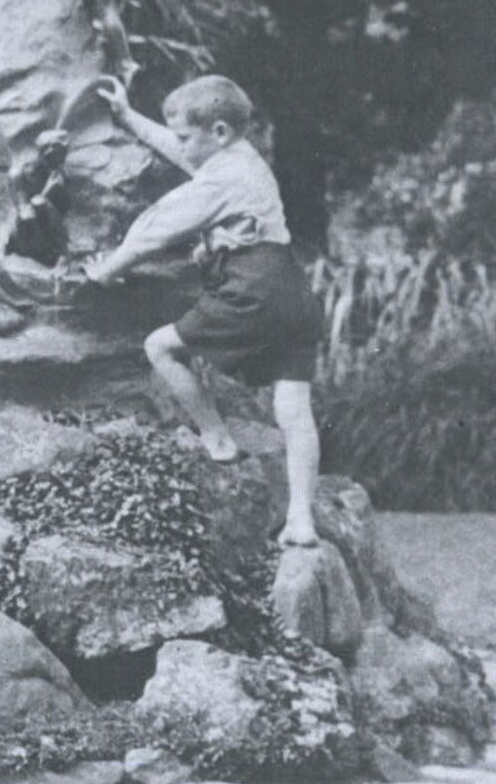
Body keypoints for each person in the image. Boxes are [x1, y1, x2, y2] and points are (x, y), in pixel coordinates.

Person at [79, 73, 324, 543]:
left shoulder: (220, 180)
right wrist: (130, 118)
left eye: (188, 136)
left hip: (252, 289)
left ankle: (217, 439)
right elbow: (181, 150)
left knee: (162, 348)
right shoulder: (242, 160)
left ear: (218, 133)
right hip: (294, 291)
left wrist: (107, 270)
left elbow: (157, 229)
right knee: (294, 410)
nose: (182, 147)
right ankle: (301, 521)